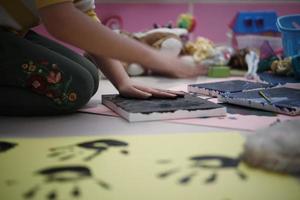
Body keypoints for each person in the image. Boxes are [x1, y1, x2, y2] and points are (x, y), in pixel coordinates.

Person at [0, 0, 207, 116]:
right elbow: (62, 22)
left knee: (89, 75)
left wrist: (123, 81)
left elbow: (86, 18)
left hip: (12, 33)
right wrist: (152, 57)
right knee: (75, 88)